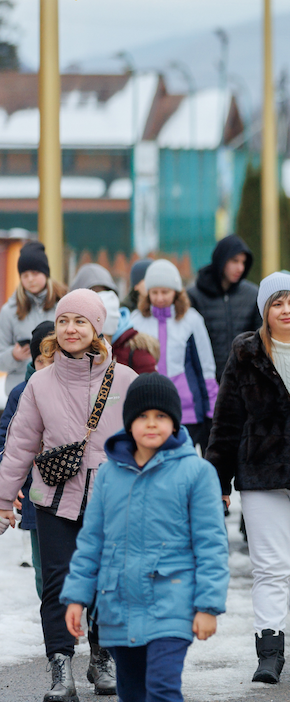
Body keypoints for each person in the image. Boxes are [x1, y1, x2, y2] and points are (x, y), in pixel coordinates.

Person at [0, 289, 138, 700]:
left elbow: (149, 441)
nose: (71, 329)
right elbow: (20, 446)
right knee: (58, 584)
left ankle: (102, 657)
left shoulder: (127, 379)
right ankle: (62, 669)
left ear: (96, 327)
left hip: (111, 499)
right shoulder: (39, 384)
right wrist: (3, 499)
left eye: (80, 321)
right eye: (63, 321)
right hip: (54, 499)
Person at [206, 272, 290, 684]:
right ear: (264, 309)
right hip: (259, 473)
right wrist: (218, 481)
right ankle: (269, 650)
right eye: (276, 304)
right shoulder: (245, 351)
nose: (286, 311)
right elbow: (227, 420)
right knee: (270, 566)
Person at [61, 373, 229, 702]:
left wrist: (208, 606)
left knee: (163, 689)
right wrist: (77, 596)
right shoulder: (110, 473)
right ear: (128, 422)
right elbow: (91, 542)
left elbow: (211, 545)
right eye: (142, 416)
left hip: (172, 603)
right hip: (117, 604)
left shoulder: (196, 472)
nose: (151, 424)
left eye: (161, 416)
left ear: (175, 421)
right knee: (133, 692)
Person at [128, 260, 221, 455]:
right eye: (154, 292)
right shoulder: (136, 321)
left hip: (186, 408)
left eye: (165, 292)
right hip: (148, 405)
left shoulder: (191, 320)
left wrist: (211, 409)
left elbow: (205, 367)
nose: (160, 298)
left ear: (177, 292)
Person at [0, 320, 55, 594]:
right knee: (41, 561)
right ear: (33, 362)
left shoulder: (70, 393)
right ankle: (50, 613)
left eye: (53, 360)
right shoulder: (20, 394)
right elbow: (6, 441)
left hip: (67, 488)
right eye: (41, 361)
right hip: (32, 491)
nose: (48, 368)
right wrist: (10, 488)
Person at [188, 234, 262, 379]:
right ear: (221, 259)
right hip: (206, 380)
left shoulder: (253, 295)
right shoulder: (194, 296)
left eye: (243, 262)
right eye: (235, 261)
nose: (240, 268)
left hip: (243, 380)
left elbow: (260, 339)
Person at [0, 241, 68, 399]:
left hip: (60, 390)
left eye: (35, 273)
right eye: (25, 275)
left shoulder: (64, 304)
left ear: (45, 273)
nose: (30, 279)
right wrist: (14, 355)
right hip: (20, 392)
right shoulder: (9, 311)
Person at [69, 264, 123, 339]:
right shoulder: (67, 337)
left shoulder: (129, 344)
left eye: (106, 291)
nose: (103, 300)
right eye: (94, 292)